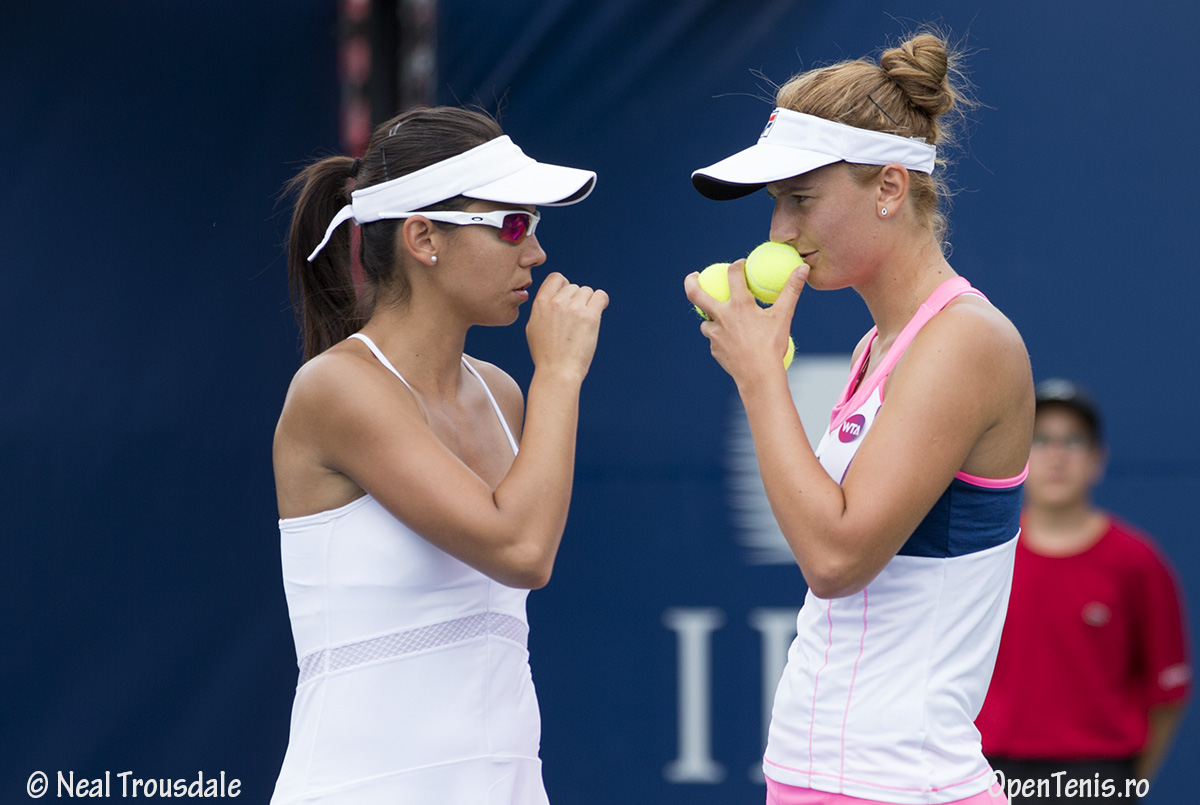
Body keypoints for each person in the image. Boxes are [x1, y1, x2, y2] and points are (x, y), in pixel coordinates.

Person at [685, 32, 1033, 805]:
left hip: (906, 785)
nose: (778, 231)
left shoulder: (968, 342)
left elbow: (836, 558)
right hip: (821, 777)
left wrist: (757, 378)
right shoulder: (878, 347)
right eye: (776, 203)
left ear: (888, 188)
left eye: (800, 198)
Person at [270, 106, 608, 804]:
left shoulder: (505, 393)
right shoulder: (337, 389)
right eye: (512, 224)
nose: (536, 253)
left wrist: (546, 383)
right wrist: (562, 375)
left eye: (534, 227)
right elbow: (522, 551)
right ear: (424, 236)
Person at [976, 379, 1192, 804]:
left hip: (1097, 777)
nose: (1056, 455)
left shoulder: (1137, 562)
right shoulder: (982, 553)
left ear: (1097, 461)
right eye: (1041, 440)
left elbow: (1168, 692)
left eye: (1073, 441)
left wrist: (1126, 783)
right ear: (1019, 453)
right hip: (989, 772)